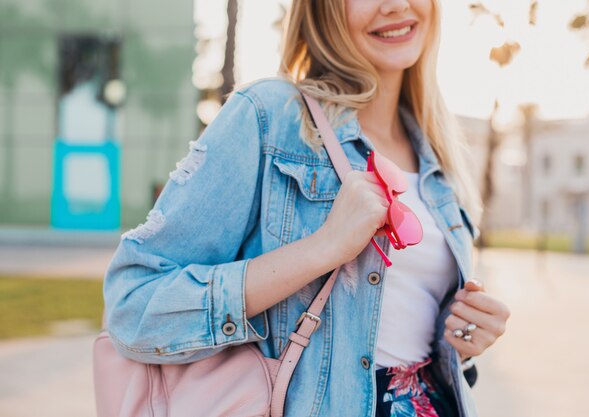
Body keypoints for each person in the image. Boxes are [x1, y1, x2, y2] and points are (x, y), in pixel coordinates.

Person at [103, 1, 511, 416]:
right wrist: (322, 249)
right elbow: (134, 306)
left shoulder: (439, 158)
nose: (395, 6)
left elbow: (406, 336)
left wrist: (463, 347)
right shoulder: (270, 117)